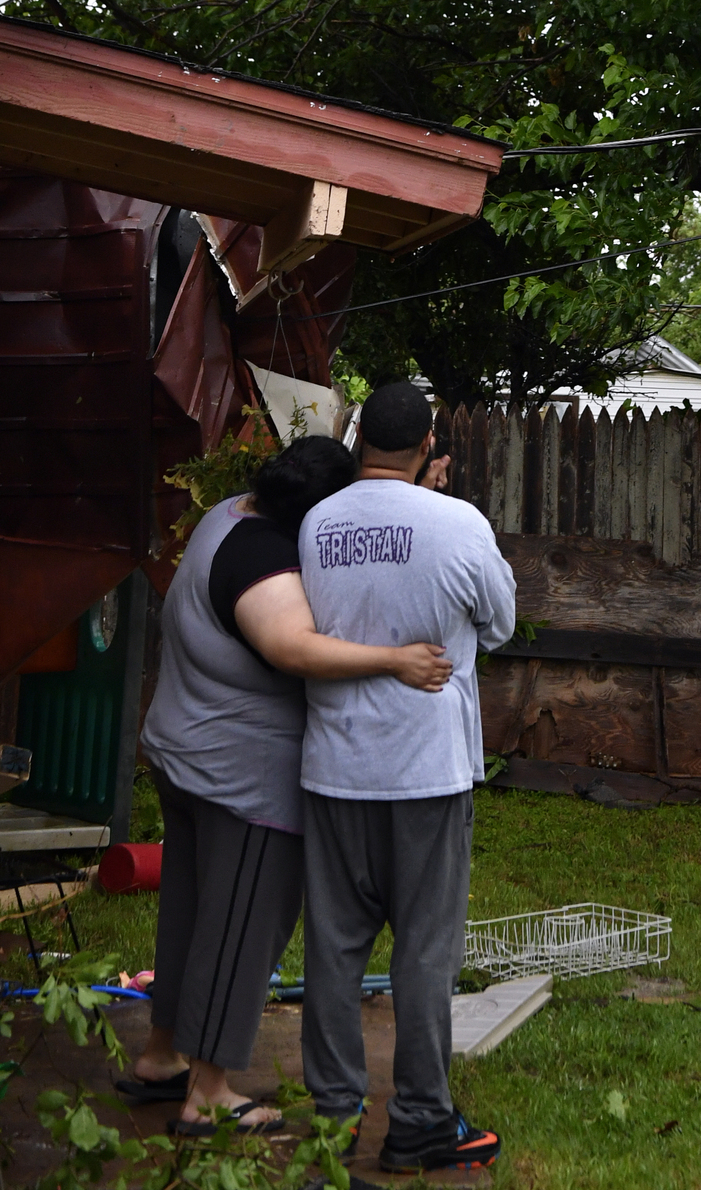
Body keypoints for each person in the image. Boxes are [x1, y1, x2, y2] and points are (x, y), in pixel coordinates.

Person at [121, 434, 454, 1137]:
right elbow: (290, 647)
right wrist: (394, 660)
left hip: (185, 753)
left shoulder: (227, 516)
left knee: (188, 915)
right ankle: (208, 1091)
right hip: (242, 778)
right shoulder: (262, 560)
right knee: (241, 926)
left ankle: (160, 1057)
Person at [298, 382, 516, 1174]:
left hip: (331, 766)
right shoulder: (457, 523)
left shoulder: (316, 524)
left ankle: (333, 1115)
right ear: (429, 444)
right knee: (424, 954)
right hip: (424, 769)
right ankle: (421, 1118)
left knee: (333, 947)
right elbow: (498, 623)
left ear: (361, 440)